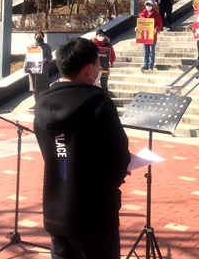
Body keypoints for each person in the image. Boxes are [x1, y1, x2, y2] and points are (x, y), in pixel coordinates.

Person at [33, 37, 130, 259]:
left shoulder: (43, 101)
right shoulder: (97, 102)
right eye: (98, 65)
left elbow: (53, 151)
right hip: (94, 210)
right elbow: (118, 157)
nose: (100, 69)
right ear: (88, 69)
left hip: (56, 206)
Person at [27, 31, 53, 109]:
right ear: (35, 37)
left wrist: (44, 59)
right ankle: (36, 102)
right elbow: (27, 57)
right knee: (34, 87)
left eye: (40, 37)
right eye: (37, 37)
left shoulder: (46, 46)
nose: (38, 38)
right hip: (33, 68)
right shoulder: (31, 46)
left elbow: (50, 57)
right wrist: (25, 66)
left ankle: (44, 103)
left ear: (43, 37)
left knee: (43, 87)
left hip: (43, 68)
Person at [139, 0, 163, 71]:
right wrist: (137, 27)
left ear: (152, 6)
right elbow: (140, 22)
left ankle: (151, 65)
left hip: (152, 35)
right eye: (147, 5)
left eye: (149, 5)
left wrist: (156, 29)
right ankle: (145, 64)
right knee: (145, 51)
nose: (148, 6)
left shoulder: (156, 14)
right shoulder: (143, 13)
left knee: (151, 51)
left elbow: (160, 23)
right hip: (144, 35)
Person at [92, 29, 116, 95]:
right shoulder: (92, 45)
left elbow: (113, 56)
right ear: (96, 36)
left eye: (102, 35)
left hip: (104, 68)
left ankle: (105, 99)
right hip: (94, 68)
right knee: (94, 85)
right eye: (100, 35)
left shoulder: (108, 45)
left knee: (104, 85)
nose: (101, 36)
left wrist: (110, 62)